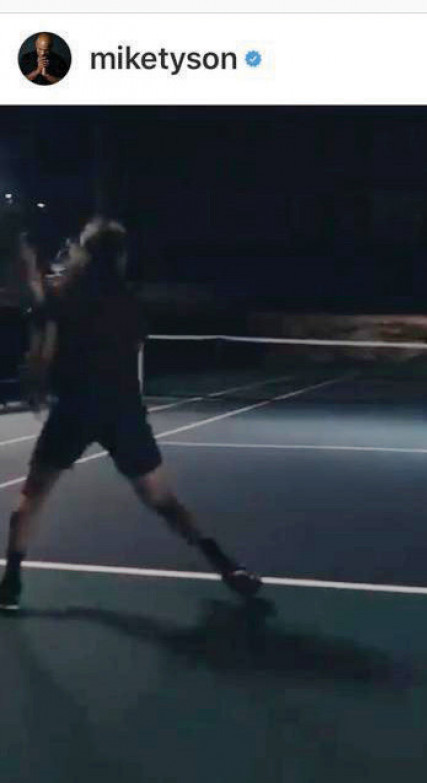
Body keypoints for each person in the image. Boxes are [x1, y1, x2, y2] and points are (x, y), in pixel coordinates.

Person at [0, 218, 261, 612]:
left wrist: (37, 376)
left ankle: (10, 585)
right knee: (163, 500)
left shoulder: (63, 296)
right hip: (123, 412)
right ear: (120, 257)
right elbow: (128, 347)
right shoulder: (130, 304)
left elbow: (43, 352)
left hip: (75, 409)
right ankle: (224, 564)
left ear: (84, 252)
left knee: (32, 498)